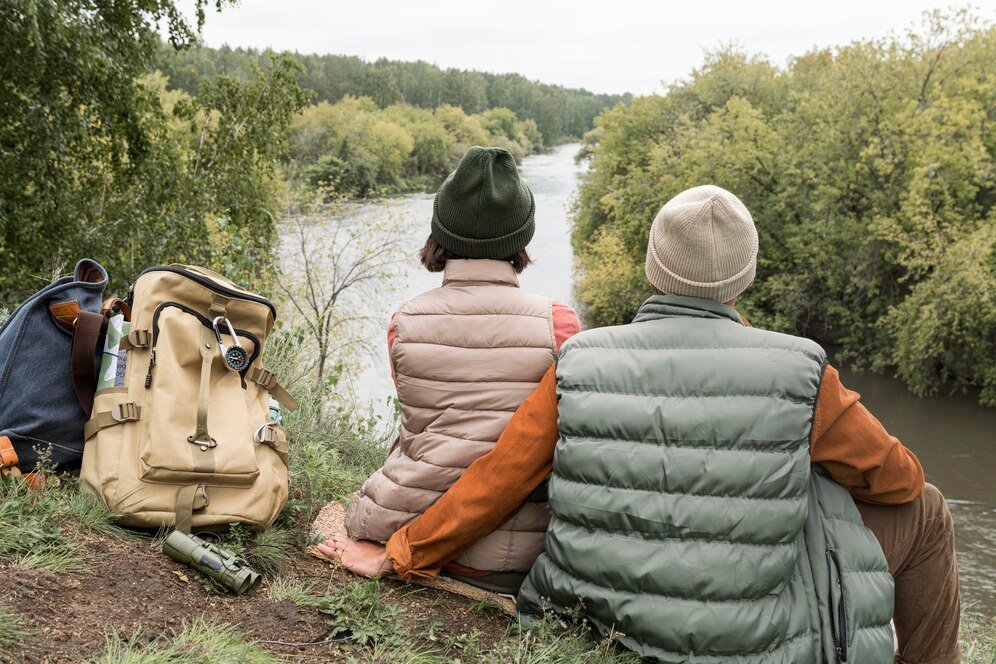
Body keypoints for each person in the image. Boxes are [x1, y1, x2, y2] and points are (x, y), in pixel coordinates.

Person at [325, 185, 961, 663]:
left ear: (653, 266)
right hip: (750, 639)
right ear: (745, 276)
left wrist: (400, 554)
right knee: (928, 510)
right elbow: (900, 481)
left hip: (589, 617)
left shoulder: (580, 360)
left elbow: (498, 479)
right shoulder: (801, 372)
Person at [317, 146, 580, 595]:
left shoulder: (404, 321)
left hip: (400, 521)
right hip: (517, 554)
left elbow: (419, 419)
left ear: (440, 231)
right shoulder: (559, 323)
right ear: (521, 238)